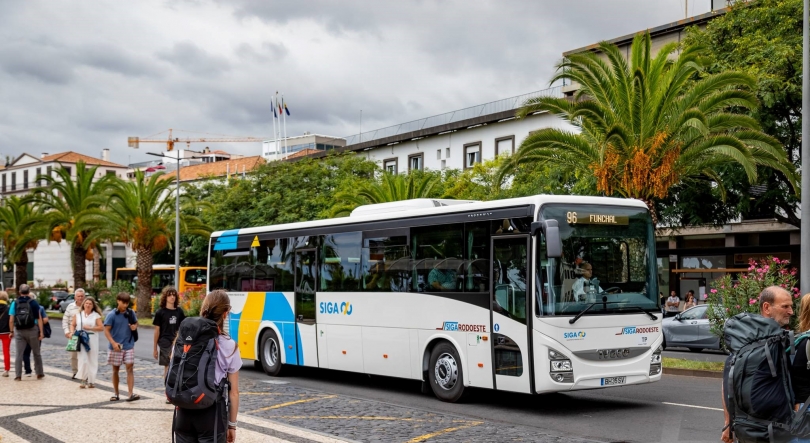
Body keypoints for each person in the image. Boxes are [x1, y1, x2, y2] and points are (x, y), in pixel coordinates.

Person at [722, 286, 794, 443]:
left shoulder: (744, 337)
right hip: (775, 433)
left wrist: (728, 423)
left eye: (791, 306)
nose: (791, 312)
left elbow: (727, 383)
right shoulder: (780, 344)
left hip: (746, 430)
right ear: (766, 307)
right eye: (785, 306)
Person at [174, 290, 241, 443]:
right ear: (225, 313)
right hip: (211, 414)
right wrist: (232, 425)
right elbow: (234, 393)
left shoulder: (184, 338)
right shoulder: (230, 346)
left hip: (184, 411)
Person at [103, 292, 139, 402]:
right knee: (115, 370)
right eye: (123, 302)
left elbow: (136, 323)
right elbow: (106, 330)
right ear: (118, 301)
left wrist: (134, 327)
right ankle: (116, 393)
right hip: (116, 346)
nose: (125, 305)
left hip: (129, 345)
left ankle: (130, 394)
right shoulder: (112, 315)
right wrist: (113, 343)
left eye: (127, 303)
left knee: (130, 368)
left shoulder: (131, 313)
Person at [8, 284, 45, 381]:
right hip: (32, 330)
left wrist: (11, 331)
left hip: (19, 330)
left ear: (19, 292)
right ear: (29, 292)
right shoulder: (33, 303)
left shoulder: (15, 302)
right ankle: (39, 373)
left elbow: (11, 319)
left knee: (19, 353)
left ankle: (18, 375)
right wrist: (41, 332)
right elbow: (39, 318)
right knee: (36, 352)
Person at [153, 286, 185, 381]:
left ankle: (174, 387)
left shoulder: (179, 311)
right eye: (169, 295)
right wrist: (155, 348)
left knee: (177, 364)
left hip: (177, 341)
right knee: (168, 365)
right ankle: (167, 388)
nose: (172, 297)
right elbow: (157, 331)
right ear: (165, 297)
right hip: (165, 341)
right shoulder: (160, 312)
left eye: (174, 295)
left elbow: (183, 326)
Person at [71, 296, 103, 389]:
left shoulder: (96, 316)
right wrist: (72, 333)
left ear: (93, 306)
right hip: (81, 338)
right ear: (83, 304)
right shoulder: (78, 315)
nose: (88, 305)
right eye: (86, 303)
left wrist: (90, 328)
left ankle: (91, 381)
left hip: (92, 338)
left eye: (90, 304)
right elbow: (73, 325)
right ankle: (83, 379)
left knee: (92, 359)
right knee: (83, 359)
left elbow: (101, 328)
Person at [62, 288, 86, 379]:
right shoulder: (70, 306)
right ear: (75, 297)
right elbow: (65, 320)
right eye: (78, 296)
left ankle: (84, 372)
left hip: (84, 334)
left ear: (84, 297)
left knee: (84, 354)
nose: (80, 298)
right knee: (73, 355)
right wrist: (67, 331)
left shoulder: (87, 306)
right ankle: (75, 371)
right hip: (73, 334)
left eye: (81, 296)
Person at [22, 302, 48, 377]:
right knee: (36, 352)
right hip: (36, 331)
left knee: (26, 352)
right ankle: (37, 370)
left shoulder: (21, 307)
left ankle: (28, 371)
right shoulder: (40, 307)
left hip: (24, 330)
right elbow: (45, 320)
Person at [0, 292, 10, 377]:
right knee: (6, 351)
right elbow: (11, 321)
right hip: (6, 332)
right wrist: (12, 331)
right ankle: (6, 370)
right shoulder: (8, 308)